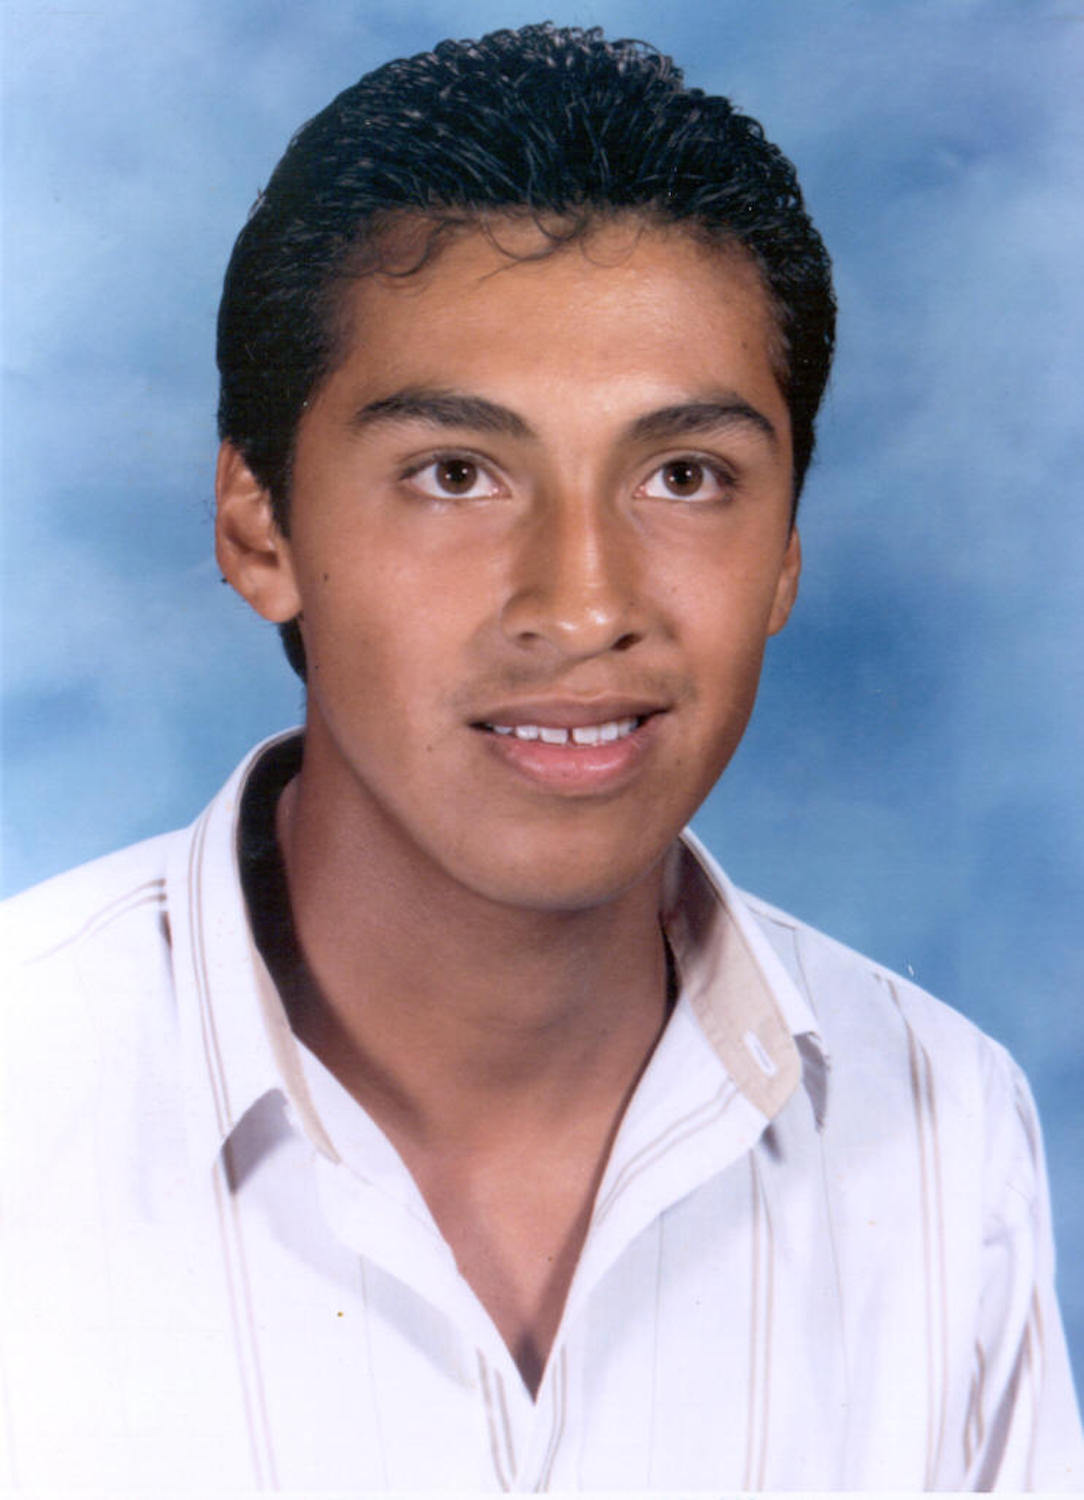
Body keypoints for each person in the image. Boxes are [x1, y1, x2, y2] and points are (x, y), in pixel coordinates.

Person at [1, 21, 1080, 1492]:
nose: (582, 605)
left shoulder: (943, 1125)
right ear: (260, 529)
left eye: (684, 476)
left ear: (784, 553)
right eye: (456, 475)